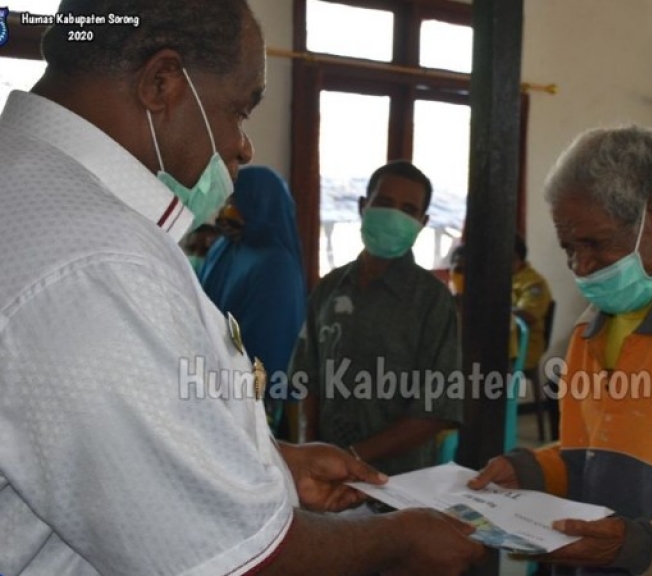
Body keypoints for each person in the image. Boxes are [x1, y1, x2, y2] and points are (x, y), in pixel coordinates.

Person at [0, 2, 485, 574]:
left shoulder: (35, 194)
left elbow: (115, 449)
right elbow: (234, 561)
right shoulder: (99, 264)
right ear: (162, 83)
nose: (243, 146)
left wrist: (270, 461)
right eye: (240, 110)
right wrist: (400, 540)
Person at [469, 126, 652, 575]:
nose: (581, 267)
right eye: (569, 249)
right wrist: (533, 470)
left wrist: (646, 546)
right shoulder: (591, 328)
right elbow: (593, 452)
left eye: (596, 244)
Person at [290, 160, 463, 476]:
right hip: (326, 476)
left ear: (422, 222)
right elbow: (307, 379)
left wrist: (351, 458)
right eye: (384, 203)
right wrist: (310, 448)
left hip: (398, 482)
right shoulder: (329, 289)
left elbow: (436, 410)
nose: (394, 216)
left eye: (408, 210)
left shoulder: (431, 301)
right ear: (362, 206)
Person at [200, 165, 306, 435]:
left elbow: (272, 344)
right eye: (229, 199)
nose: (228, 210)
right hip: (211, 382)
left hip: (252, 392)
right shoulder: (226, 247)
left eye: (239, 201)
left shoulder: (275, 264)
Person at [509, 233, 553, 373]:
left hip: (522, 348)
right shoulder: (497, 278)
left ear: (517, 258)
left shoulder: (533, 283)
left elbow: (527, 315)